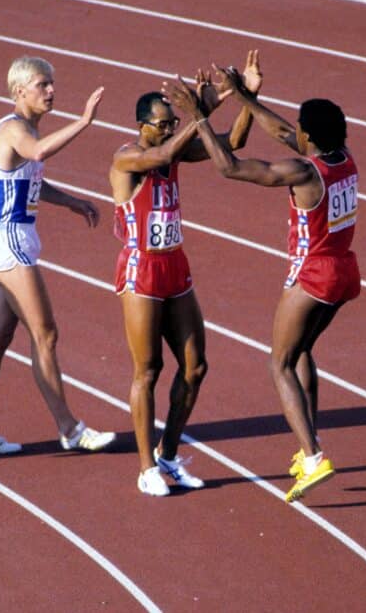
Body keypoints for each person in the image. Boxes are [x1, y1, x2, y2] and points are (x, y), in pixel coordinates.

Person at [163, 64, 359, 503]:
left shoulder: (304, 173)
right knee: (302, 351)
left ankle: (312, 457)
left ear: (309, 136)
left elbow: (230, 168)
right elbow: (284, 132)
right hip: (345, 270)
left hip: (313, 274)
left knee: (280, 362)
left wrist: (199, 116)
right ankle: (311, 441)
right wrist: (244, 97)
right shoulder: (342, 158)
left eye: (300, 131)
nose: (294, 134)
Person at [111, 52, 262, 496]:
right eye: (163, 123)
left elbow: (231, 144)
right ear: (142, 124)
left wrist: (246, 98)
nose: (169, 128)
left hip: (176, 266)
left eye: (172, 122)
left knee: (195, 367)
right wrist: (201, 111)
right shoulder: (127, 157)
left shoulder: (171, 149)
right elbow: (161, 152)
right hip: (141, 270)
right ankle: (145, 469)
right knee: (148, 370)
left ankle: (170, 456)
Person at [0, 56, 115, 456]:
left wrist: (70, 201)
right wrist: (84, 122)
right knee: (44, 333)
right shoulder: (16, 129)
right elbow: (40, 152)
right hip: (8, 238)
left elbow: (30, 181)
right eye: (42, 84)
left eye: (51, 83)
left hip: (8, 236)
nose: (51, 91)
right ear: (19, 91)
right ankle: (70, 428)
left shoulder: (24, 130)